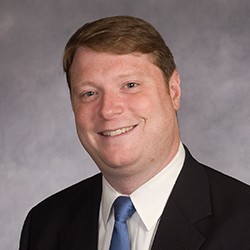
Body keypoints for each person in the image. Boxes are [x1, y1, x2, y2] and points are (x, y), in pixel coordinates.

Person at [19, 16, 250, 250]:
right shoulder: (44, 225)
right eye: (89, 93)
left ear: (174, 91)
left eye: (130, 85)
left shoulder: (243, 222)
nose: (108, 110)